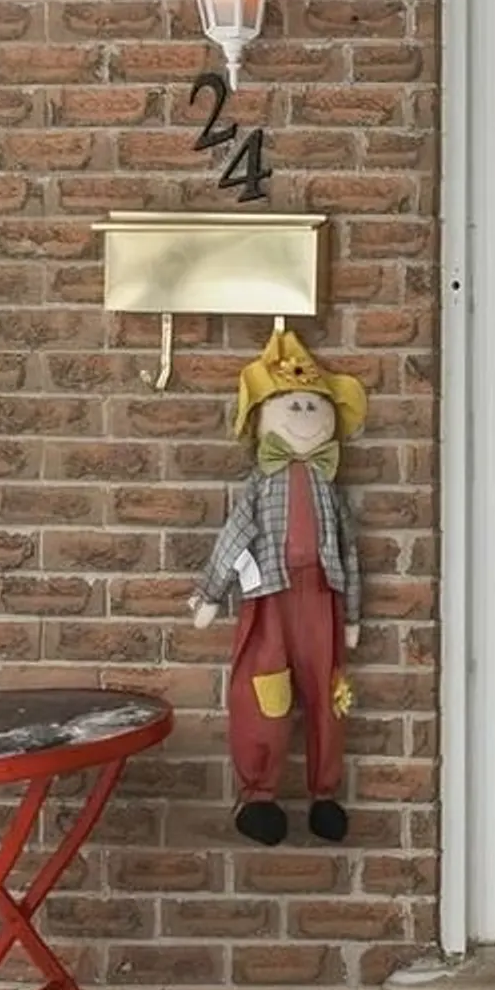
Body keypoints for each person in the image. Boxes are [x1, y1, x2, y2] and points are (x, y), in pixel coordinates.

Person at [188, 325, 363, 846]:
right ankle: (259, 794)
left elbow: (349, 550)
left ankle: (325, 793)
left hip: (323, 600)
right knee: (264, 691)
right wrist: (211, 592)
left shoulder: (329, 488)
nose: (305, 414)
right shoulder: (260, 487)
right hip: (270, 600)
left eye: (313, 405)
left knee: (328, 693)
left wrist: (353, 613)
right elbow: (234, 535)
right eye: (293, 405)